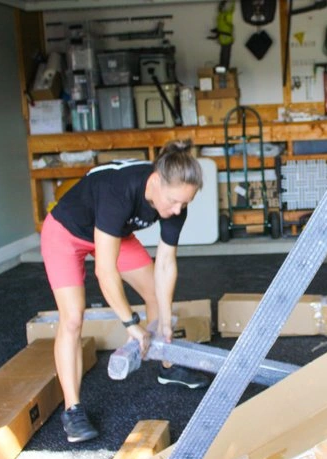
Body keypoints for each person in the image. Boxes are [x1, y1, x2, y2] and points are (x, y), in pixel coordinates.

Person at [40, 140, 211, 443]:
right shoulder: (118, 189)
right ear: (155, 181)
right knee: (72, 319)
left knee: (155, 294)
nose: (176, 210)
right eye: (173, 201)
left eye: (184, 204)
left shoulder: (177, 202)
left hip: (113, 233)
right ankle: (73, 409)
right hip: (66, 233)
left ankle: (167, 364)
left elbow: (166, 265)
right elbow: (105, 271)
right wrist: (132, 325)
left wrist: (166, 323)